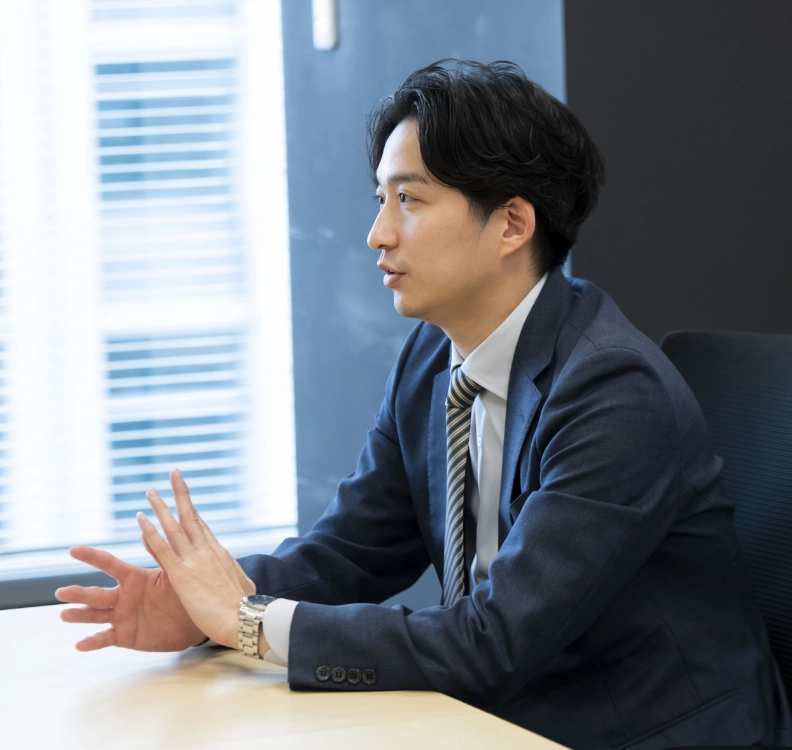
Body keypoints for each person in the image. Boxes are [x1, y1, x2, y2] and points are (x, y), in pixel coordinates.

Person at [57, 60, 791, 749]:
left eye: (408, 200)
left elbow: (493, 642)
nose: (377, 233)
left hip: (637, 731)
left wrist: (248, 623)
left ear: (512, 224)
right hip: (502, 713)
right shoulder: (432, 358)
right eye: (381, 200)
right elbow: (351, 552)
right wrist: (200, 607)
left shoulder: (614, 394)